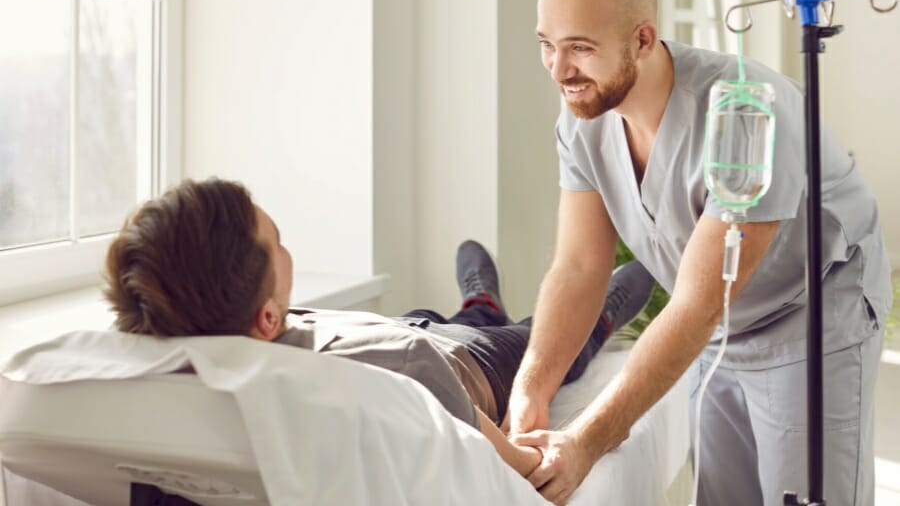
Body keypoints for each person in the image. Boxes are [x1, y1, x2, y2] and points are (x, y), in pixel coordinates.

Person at [507, 0, 892, 505]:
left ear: (642, 40)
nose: (560, 69)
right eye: (547, 46)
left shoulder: (745, 113)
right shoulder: (584, 119)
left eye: (581, 49)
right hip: (720, 328)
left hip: (810, 314)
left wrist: (584, 442)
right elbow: (579, 266)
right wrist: (531, 389)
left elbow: (697, 304)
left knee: (802, 493)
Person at [103, 177, 654, 482]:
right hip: (468, 360)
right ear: (268, 320)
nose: (288, 251)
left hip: (396, 331)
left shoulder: (204, 347)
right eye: (280, 244)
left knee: (451, 320)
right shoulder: (404, 376)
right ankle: (597, 309)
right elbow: (519, 465)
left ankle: (480, 299)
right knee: (558, 336)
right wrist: (584, 442)